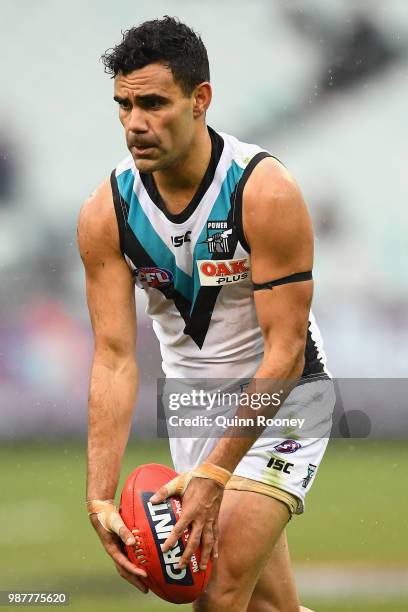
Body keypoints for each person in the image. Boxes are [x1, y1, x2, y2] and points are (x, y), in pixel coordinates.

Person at [77, 16, 334, 612]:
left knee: (213, 590)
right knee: (266, 606)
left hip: (287, 395)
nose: (135, 123)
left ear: (201, 100)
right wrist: (99, 498)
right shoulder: (105, 213)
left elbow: (286, 353)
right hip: (196, 406)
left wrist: (216, 476)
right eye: (123, 105)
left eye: (153, 103)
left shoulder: (263, 192)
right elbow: (114, 359)